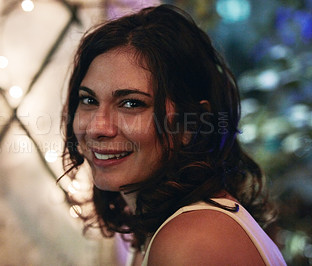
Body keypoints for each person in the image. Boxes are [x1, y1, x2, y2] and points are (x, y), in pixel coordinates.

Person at [61, 4, 286, 266]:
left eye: (132, 103)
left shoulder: (193, 241)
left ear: (192, 123)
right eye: (88, 100)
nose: (97, 127)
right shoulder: (165, 228)